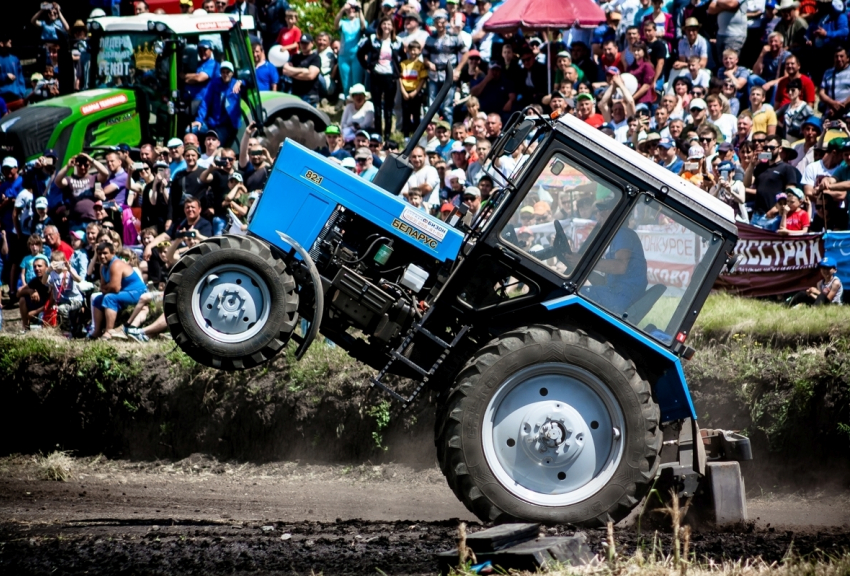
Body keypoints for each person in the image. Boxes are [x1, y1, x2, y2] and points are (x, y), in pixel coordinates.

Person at [571, 196, 647, 315]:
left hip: (621, 296)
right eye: (599, 213)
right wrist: (583, 268)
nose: (599, 216)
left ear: (615, 215)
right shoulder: (620, 235)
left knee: (570, 295)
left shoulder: (623, 233)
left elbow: (620, 267)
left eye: (603, 213)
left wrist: (584, 261)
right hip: (618, 293)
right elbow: (607, 282)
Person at [357, 16, 403, 140]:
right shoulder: (373, 39)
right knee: (377, 107)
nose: (386, 27)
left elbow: (403, 58)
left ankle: (387, 135)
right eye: (384, 24)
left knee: (388, 108)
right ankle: (378, 134)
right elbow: (360, 53)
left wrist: (399, 72)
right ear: (380, 26)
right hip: (376, 75)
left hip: (390, 77)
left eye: (389, 24)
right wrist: (367, 66)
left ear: (392, 27)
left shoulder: (398, 42)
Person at [91, 241, 147, 339]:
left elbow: (115, 288)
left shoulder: (116, 264)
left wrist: (108, 287)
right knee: (97, 299)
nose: (102, 256)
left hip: (136, 293)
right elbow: (103, 286)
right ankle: (97, 331)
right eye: (99, 254)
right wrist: (108, 287)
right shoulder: (102, 267)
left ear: (112, 253)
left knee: (109, 298)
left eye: (105, 253)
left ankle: (109, 332)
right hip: (124, 292)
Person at [423, 10, 467, 125]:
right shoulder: (430, 38)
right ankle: (432, 132)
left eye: (442, 22)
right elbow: (425, 56)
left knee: (447, 107)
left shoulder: (454, 36)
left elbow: (466, 54)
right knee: (432, 106)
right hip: (434, 75)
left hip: (449, 75)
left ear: (446, 22)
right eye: (437, 22)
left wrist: (458, 70)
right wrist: (428, 64)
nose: (440, 25)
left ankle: (449, 131)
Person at [745, 135, 799, 222]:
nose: (768, 150)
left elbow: (791, 193)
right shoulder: (760, 166)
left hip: (774, 216)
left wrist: (776, 208)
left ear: (780, 149)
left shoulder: (787, 168)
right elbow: (746, 184)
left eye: (772, 148)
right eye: (766, 148)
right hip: (756, 214)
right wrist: (751, 165)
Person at [192, 62, 242, 148]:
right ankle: (197, 155)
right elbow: (205, 102)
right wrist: (199, 119)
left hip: (226, 125)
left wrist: (241, 82)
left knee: (215, 145)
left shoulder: (236, 84)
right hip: (212, 122)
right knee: (191, 130)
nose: (225, 74)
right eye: (223, 72)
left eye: (228, 72)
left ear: (232, 73)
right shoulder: (214, 84)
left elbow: (250, 81)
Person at [335, 0, 366, 96]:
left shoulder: (359, 21)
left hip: (357, 56)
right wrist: (342, 10)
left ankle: (357, 105)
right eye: (349, 8)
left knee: (356, 83)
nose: (351, 10)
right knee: (346, 84)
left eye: (353, 8)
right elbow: (335, 25)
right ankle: (348, 105)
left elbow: (363, 26)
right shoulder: (343, 22)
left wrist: (360, 10)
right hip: (344, 56)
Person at [399, 40, 428, 136]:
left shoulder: (421, 65)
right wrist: (403, 92)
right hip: (405, 92)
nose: (413, 52)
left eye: (415, 50)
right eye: (411, 50)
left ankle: (417, 134)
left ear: (419, 51)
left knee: (416, 113)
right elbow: (400, 78)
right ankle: (406, 134)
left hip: (416, 92)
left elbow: (423, 79)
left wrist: (415, 91)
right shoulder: (403, 64)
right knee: (405, 114)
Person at [282, 34, 322, 105]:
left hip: (309, 95)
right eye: (302, 43)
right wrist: (303, 70)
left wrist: (292, 72)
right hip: (295, 94)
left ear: (312, 44)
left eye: (306, 43)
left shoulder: (315, 58)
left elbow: (310, 76)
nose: (304, 45)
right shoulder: (295, 57)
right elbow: (285, 70)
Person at [17, 254, 50, 332]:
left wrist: (35, 312)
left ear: (47, 267)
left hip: (50, 308)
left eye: (39, 266)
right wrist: (30, 291)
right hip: (40, 306)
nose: (37, 268)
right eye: (35, 266)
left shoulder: (51, 280)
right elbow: (18, 293)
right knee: (22, 299)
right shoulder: (35, 280)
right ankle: (26, 328)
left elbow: (52, 302)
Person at [819, 46, 850, 119]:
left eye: (841, 56)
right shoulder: (828, 73)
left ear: (847, 58)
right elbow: (821, 93)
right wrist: (833, 103)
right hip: (830, 113)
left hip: (848, 113)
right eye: (836, 56)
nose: (839, 59)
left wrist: (842, 105)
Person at [0, 33, 26, 111]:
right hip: (3, 98)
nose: (10, 41)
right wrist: (5, 76)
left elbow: (20, 77)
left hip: (17, 96)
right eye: (8, 40)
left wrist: (22, 92)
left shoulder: (15, 59)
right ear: (1, 43)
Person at [315, 32, 337, 99]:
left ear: (329, 42)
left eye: (324, 40)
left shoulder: (330, 54)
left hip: (327, 83)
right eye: (319, 39)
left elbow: (318, 70)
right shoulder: (314, 52)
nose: (321, 42)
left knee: (314, 74)